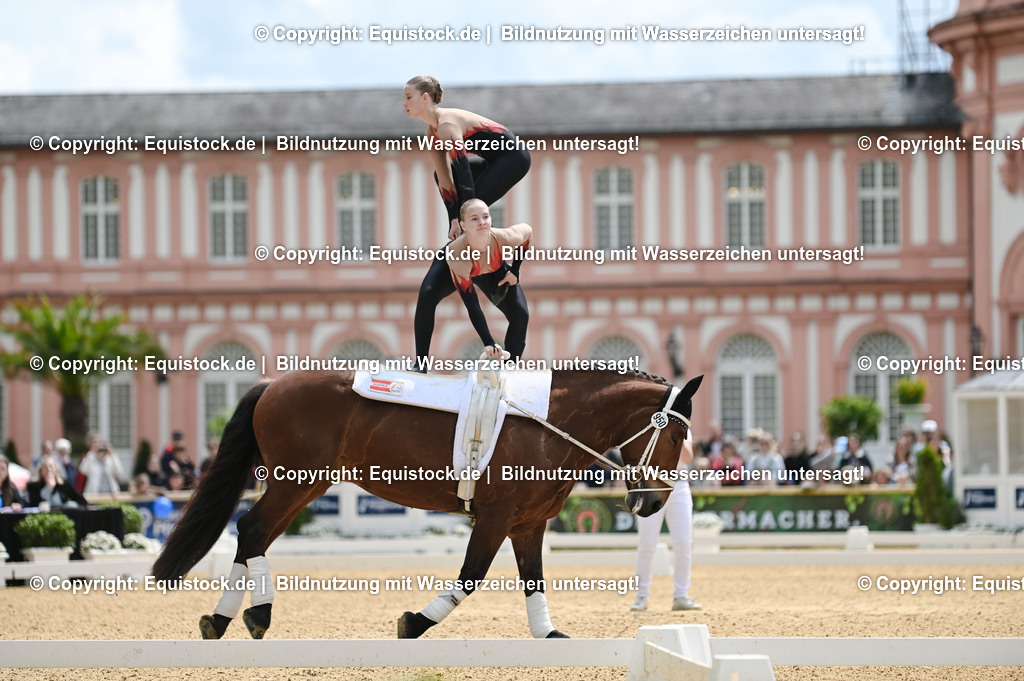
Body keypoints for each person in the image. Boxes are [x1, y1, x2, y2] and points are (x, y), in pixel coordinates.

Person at [404, 75, 532, 364]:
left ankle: (510, 368)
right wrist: (453, 219)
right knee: (442, 177)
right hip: (488, 163)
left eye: (408, 97)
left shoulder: (447, 124)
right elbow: (445, 178)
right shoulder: (431, 134)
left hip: (513, 159)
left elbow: (462, 170)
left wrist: (466, 217)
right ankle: (420, 365)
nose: (404, 103)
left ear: (425, 98)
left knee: (469, 200)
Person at [445, 198, 532, 360]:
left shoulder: (505, 237)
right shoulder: (456, 254)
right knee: (428, 294)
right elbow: (472, 305)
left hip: (496, 269)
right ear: (463, 225)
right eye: (474, 219)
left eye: (485, 217)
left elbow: (527, 232)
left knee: (520, 315)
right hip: (471, 271)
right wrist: (488, 341)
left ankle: (510, 366)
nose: (482, 222)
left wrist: (515, 271)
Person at [631, 431, 700, 612]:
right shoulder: (647, 426)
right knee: (647, 544)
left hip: (679, 485)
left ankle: (681, 595)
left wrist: (677, 434)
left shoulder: (683, 428)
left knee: (683, 543)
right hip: (651, 485)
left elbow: (687, 457)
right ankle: (641, 595)